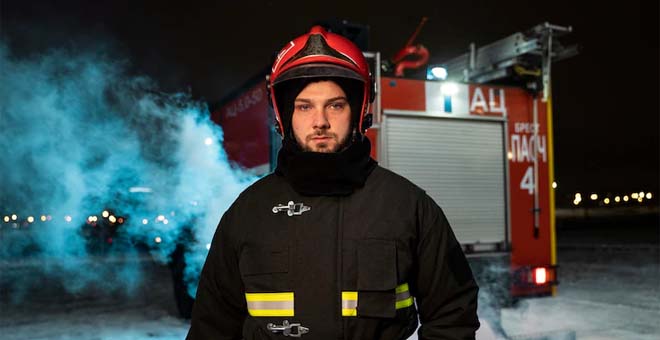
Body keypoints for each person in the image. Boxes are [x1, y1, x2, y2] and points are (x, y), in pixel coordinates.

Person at [187, 25, 479, 339]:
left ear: (359, 110)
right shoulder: (247, 213)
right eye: (304, 106)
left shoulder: (409, 207)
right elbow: (212, 326)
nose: (320, 121)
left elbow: (452, 315)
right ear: (284, 116)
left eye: (335, 105)